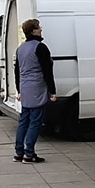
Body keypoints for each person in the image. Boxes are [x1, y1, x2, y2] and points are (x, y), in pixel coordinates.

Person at [13, 18, 56, 163]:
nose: (41, 29)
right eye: (38, 27)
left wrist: (19, 90)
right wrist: (52, 91)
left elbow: (17, 71)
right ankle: (29, 153)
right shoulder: (40, 47)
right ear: (33, 31)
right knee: (35, 122)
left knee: (23, 121)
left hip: (25, 88)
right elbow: (47, 71)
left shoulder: (20, 48)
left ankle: (18, 152)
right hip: (37, 87)